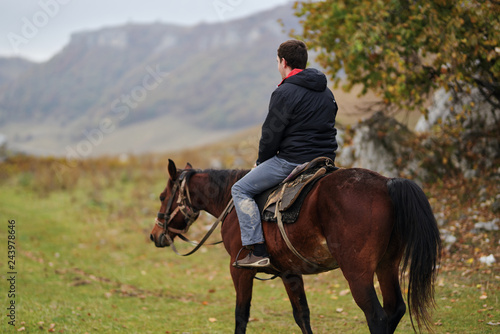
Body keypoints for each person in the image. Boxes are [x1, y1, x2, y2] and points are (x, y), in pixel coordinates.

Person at [231, 39, 338, 268]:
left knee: (239, 188)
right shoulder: (326, 91)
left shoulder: (285, 92)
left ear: (283, 62)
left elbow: (270, 135)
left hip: (292, 161)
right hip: (325, 160)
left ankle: (257, 250)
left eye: (278, 62)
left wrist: (261, 162)